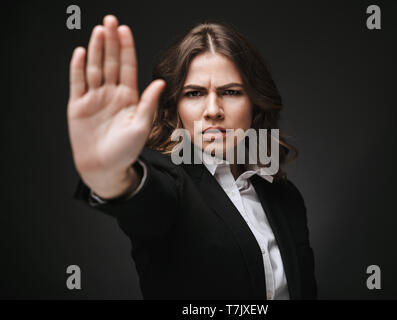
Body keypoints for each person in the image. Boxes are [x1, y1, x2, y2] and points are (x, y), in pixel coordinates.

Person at [68, 14, 317, 300]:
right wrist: (109, 174)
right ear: (175, 109)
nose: (213, 110)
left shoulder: (286, 197)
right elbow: (142, 198)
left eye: (232, 92)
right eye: (195, 93)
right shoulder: (169, 183)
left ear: (256, 104)